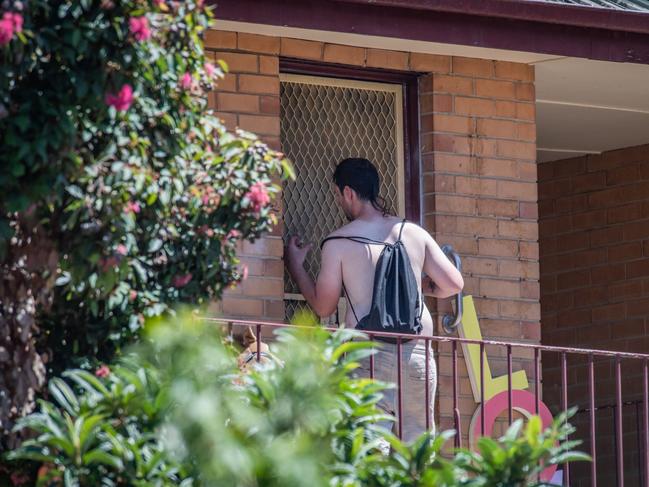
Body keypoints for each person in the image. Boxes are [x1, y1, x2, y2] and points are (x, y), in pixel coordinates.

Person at [285, 157, 464, 442]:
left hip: (369, 355)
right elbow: (454, 284)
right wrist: (421, 287)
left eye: (338, 195)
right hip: (417, 354)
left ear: (348, 193)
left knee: (370, 447)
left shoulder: (339, 242)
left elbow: (323, 306)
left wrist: (295, 266)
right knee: (416, 450)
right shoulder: (414, 232)